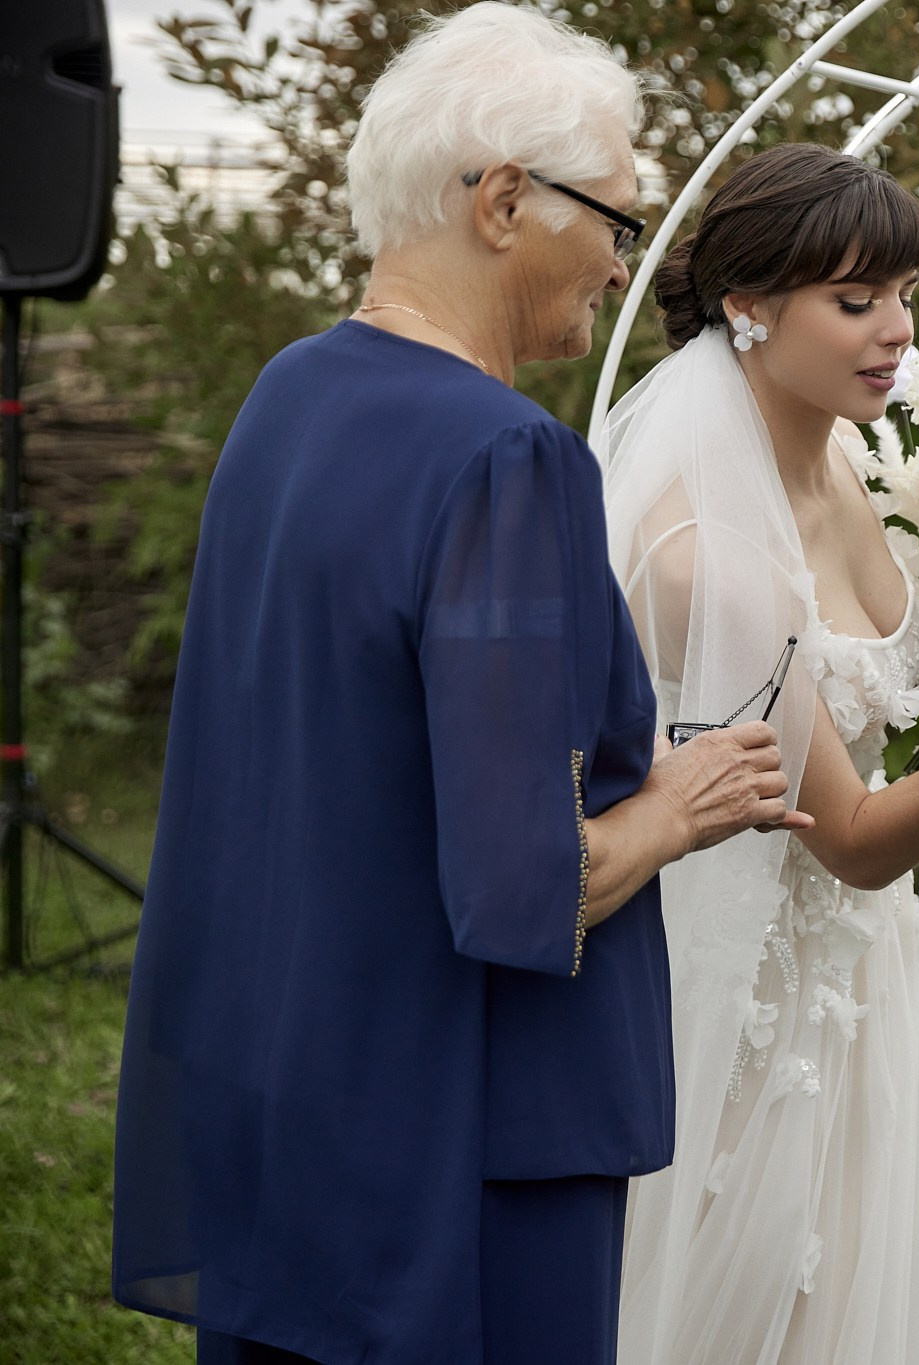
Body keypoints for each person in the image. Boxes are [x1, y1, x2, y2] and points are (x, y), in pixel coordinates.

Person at [112, 8, 803, 1363]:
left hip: (292, 1086)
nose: (622, 259)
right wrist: (683, 800)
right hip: (465, 1134)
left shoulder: (289, 398)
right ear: (503, 203)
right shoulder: (508, 459)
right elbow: (522, 888)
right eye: (614, 216)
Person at [599, 142, 919, 1365]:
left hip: (853, 981)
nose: (895, 332)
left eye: (901, 296)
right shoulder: (707, 552)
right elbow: (855, 844)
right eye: (854, 302)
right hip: (746, 997)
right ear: (747, 308)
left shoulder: (838, 450)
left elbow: (874, 686)